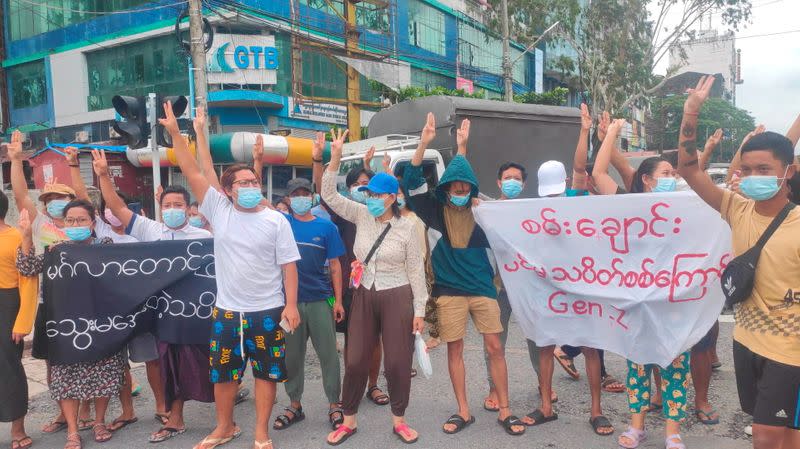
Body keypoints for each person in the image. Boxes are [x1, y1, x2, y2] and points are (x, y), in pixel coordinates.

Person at [160, 102, 301, 449]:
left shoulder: (276, 220)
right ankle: (225, 427)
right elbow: (195, 168)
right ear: (228, 190)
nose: (252, 185)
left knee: (266, 374)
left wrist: (291, 305)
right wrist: (180, 134)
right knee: (223, 375)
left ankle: (260, 432)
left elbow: (289, 265)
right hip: (227, 313)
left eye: (254, 180)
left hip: (268, 311)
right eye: (244, 182)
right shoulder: (218, 210)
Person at [678, 75, 800, 449]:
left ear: (788, 172)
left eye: (764, 170)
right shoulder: (736, 208)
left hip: (789, 351)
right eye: (746, 170)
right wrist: (691, 113)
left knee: (765, 437)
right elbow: (688, 169)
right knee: (785, 434)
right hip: (745, 340)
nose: (751, 177)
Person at [404, 113, 525, 437]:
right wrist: (424, 143)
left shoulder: (484, 212)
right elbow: (411, 179)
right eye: (453, 187)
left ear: (472, 188)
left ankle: (505, 409)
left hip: (484, 289)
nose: (459, 191)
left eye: (465, 187)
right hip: (449, 291)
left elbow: (518, 225)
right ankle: (463, 410)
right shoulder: (433, 209)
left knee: (495, 348)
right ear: (445, 189)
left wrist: (463, 147)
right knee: (454, 350)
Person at [90, 149, 215, 444]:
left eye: (178, 205)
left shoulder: (205, 238)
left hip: (199, 318)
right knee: (170, 369)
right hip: (164, 318)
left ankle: (225, 420)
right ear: (160, 208)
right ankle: (175, 419)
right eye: (167, 204)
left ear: (188, 209)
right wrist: (104, 176)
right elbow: (117, 208)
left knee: (210, 367)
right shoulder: (150, 230)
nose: (173, 209)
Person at [589, 119, 691, 449]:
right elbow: (598, 174)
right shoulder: (627, 206)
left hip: (673, 303)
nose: (672, 179)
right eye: (665, 174)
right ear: (646, 180)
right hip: (637, 302)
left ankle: (673, 432)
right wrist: (611, 134)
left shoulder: (686, 207)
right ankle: (637, 427)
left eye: (674, 175)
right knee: (638, 367)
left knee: (675, 367)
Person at [321, 128, 426, 445]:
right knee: (355, 359)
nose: (372, 199)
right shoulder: (361, 214)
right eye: (369, 194)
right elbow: (329, 195)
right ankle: (349, 419)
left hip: (398, 294)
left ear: (393, 197)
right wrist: (335, 158)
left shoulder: (407, 227)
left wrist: (420, 311)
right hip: (364, 292)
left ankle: (400, 420)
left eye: (378, 195)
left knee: (397, 361)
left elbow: (416, 270)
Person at [17, 201, 125, 449]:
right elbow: (26, 268)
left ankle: (98, 422)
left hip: (101, 324)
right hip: (65, 326)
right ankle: (73, 431)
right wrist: (26, 237)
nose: (75, 225)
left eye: (81, 220)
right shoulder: (55, 250)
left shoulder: (106, 249)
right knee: (66, 378)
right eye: (71, 221)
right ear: (63, 224)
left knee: (104, 373)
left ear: (93, 222)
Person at [528, 158, 614, 436]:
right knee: (544, 345)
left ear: (564, 183)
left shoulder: (579, 201)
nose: (553, 197)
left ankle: (596, 411)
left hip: (580, 287)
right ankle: (545, 407)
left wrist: (586, 130)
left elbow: (580, 170)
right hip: (548, 289)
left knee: (590, 347)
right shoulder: (530, 211)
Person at [6, 129, 77, 435]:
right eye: (51, 200)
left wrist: (74, 168)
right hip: (51, 303)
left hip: (82, 302)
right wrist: (16, 159)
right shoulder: (42, 225)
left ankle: (85, 414)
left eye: (62, 198)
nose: (56, 204)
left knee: (83, 358)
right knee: (51, 362)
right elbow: (22, 195)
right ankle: (65, 413)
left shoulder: (81, 222)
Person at [311, 134, 389, 407]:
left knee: (374, 339)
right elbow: (325, 193)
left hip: (376, 285)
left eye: (365, 185)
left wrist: (373, 166)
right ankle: (351, 385)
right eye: (355, 184)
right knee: (350, 339)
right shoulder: (344, 212)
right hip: (343, 287)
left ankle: (374, 385)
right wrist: (320, 158)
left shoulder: (382, 214)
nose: (360, 188)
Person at [481, 161, 556, 416]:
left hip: (527, 285)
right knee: (493, 341)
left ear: (523, 184)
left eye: (516, 178)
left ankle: (543, 384)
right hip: (497, 286)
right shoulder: (487, 209)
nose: (512, 181)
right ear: (499, 183)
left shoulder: (532, 211)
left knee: (537, 337)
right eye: (507, 178)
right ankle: (494, 389)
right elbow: (467, 191)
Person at [272, 177, 346, 432]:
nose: (301, 198)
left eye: (306, 193)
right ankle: (294, 404)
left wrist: (337, 301)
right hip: (289, 305)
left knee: (328, 356)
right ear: (288, 199)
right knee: (292, 357)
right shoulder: (281, 224)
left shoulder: (327, 228)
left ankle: (335, 404)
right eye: (296, 194)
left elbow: (335, 266)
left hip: (319, 300)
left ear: (312, 198)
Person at [0, 191, 38, 449]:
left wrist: (23, 322)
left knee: (8, 367)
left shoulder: (16, 236)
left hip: (8, 304)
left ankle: (18, 430)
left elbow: (28, 280)